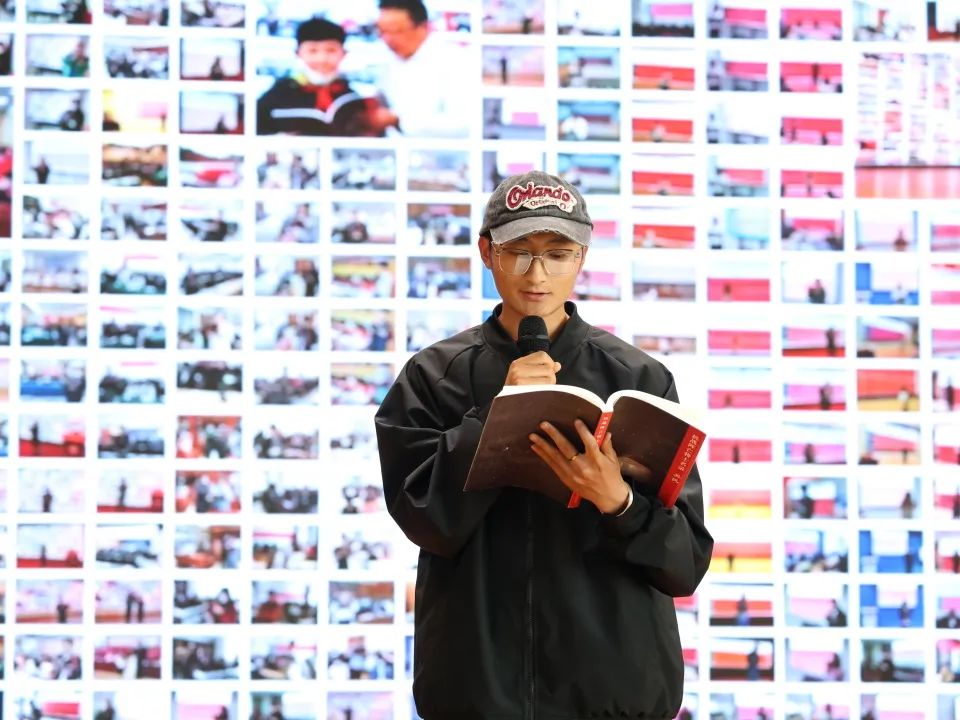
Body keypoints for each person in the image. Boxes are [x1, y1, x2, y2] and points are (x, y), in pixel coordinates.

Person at [375, 170, 713, 719]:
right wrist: (493, 417)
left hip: (613, 696)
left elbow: (685, 564)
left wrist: (618, 502)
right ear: (487, 252)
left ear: (581, 258)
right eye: (518, 253)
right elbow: (424, 521)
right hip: (476, 695)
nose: (538, 275)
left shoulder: (639, 378)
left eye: (557, 255)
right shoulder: (434, 376)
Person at [256, 17, 387, 136]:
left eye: (331, 50)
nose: (322, 59)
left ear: (344, 54)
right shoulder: (278, 94)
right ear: (298, 53)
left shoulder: (353, 99)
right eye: (312, 51)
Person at [372, 0, 470, 137]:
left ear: (423, 26)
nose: (387, 39)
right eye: (381, 31)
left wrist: (399, 121)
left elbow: (463, 124)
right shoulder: (387, 62)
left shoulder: (454, 60)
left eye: (395, 30)